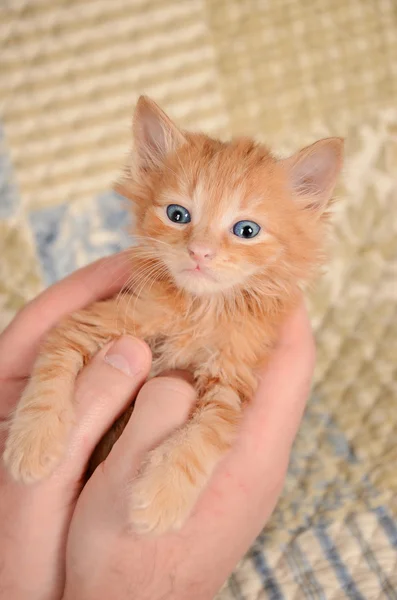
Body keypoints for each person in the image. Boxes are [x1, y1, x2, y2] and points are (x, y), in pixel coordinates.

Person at [0, 251, 315, 600]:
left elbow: (225, 406)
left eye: (245, 232)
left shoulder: (251, 329)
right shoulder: (147, 293)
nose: (201, 249)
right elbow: (72, 337)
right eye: (178, 215)